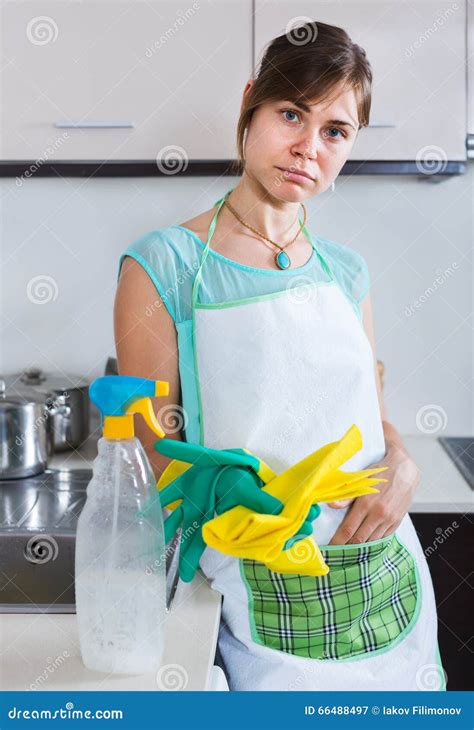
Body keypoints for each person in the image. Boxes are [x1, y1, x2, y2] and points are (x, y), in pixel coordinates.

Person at [114, 21, 445, 691]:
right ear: (250, 107)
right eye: (291, 113)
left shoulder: (346, 273)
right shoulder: (166, 265)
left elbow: (371, 418)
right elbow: (152, 452)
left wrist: (402, 460)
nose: (306, 147)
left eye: (335, 130)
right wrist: (220, 493)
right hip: (261, 574)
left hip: (382, 564)